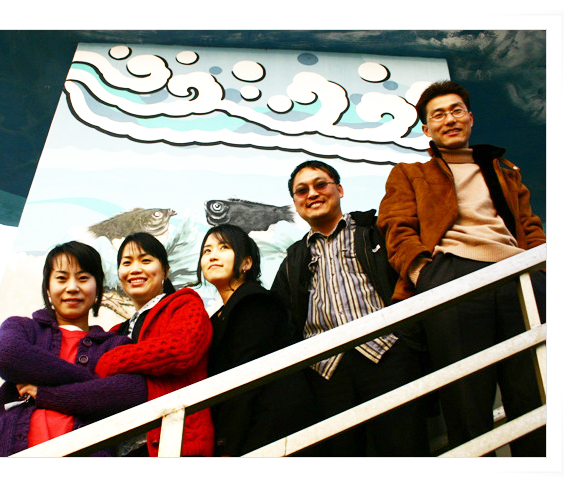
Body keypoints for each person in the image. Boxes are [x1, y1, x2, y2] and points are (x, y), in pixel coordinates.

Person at [376, 80, 546, 456]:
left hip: (519, 278)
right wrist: (426, 275)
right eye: (438, 115)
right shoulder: (409, 173)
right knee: (466, 402)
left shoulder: (504, 171)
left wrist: (541, 275)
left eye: (456, 111)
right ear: (426, 129)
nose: (449, 119)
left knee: (534, 396)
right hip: (454, 279)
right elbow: (396, 228)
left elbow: (530, 226)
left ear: (470, 118)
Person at [270, 160, 430, 456]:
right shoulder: (294, 258)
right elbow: (280, 320)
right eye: (302, 190)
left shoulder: (374, 230)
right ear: (295, 202)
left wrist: (407, 341)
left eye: (320, 184)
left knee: (406, 455)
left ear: (340, 190)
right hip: (327, 375)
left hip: (388, 355)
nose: (312, 194)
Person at [0, 241, 147, 457]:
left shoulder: (114, 345)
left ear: (98, 288)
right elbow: (7, 355)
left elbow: (133, 391)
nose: (72, 287)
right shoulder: (23, 328)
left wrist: (47, 394)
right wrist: (95, 385)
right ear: (48, 288)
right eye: (61, 278)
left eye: (83, 278)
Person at [196, 223, 320, 456]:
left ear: (246, 263)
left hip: (270, 430)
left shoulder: (255, 303)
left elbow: (246, 379)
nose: (213, 256)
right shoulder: (219, 317)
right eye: (207, 251)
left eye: (224, 247)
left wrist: (229, 446)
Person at [94, 232, 214, 457]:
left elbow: (182, 349)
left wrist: (113, 360)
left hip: (177, 446)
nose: (135, 269)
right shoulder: (116, 332)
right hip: (123, 451)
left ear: (165, 271)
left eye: (146, 260)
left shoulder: (185, 304)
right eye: (126, 263)